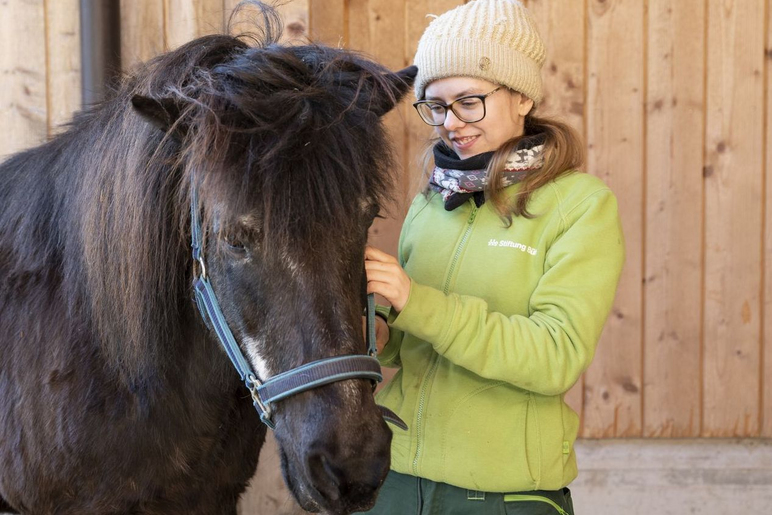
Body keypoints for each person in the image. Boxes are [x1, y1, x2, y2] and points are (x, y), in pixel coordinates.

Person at [361, 0, 625, 513]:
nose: (450, 123)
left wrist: (417, 301)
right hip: (392, 478)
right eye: (435, 106)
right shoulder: (431, 202)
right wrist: (379, 332)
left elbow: (555, 356)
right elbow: (410, 344)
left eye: (468, 101)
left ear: (522, 96)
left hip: (503, 493)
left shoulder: (580, 206)